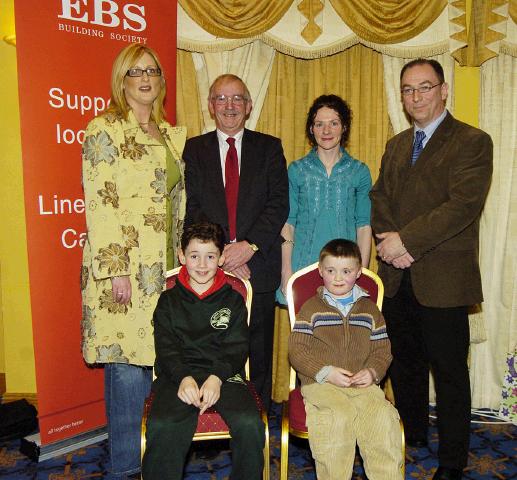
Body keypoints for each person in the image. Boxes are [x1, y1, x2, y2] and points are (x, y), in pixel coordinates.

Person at [370, 58, 493, 480]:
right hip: (398, 276)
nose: (416, 96)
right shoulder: (397, 144)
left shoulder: (473, 142)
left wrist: (407, 242)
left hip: (443, 279)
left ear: (443, 90)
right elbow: (380, 197)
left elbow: (462, 206)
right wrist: (390, 243)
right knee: (404, 364)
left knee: (449, 371)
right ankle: (414, 435)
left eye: (425, 87)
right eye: (408, 89)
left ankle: (454, 460)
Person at [81, 43, 186, 478]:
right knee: (128, 368)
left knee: (153, 362)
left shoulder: (171, 134)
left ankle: (149, 461)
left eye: (152, 70)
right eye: (135, 72)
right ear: (121, 82)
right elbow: (100, 204)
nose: (145, 78)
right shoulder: (103, 129)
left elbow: (175, 204)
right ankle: (125, 469)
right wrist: (117, 269)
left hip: (163, 269)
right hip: (123, 270)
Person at [183, 74, 289, 410]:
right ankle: (213, 412)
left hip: (257, 264)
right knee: (212, 343)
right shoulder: (193, 149)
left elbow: (278, 203)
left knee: (257, 346)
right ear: (211, 106)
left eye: (237, 99)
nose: (230, 106)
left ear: (249, 106)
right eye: (222, 99)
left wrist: (249, 246)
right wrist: (222, 254)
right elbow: (193, 206)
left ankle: (256, 417)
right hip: (208, 267)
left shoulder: (269, 147)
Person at [141, 222, 265, 480]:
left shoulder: (232, 299)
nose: (201, 264)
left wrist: (216, 378)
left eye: (210, 256)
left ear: (221, 258)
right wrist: (183, 376)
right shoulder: (168, 300)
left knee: (249, 423)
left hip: (223, 374)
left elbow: (236, 346)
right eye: (194, 256)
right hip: (177, 374)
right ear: (182, 256)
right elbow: (166, 346)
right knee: (163, 425)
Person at [288, 239, 402, 480]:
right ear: (321, 271)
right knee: (336, 421)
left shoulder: (370, 311)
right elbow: (297, 350)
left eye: (346, 271)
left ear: (358, 272)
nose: (338, 278)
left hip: (363, 385)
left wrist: (372, 372)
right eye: (331, 271)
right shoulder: (311, 309)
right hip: (322, 385)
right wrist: (325, 372)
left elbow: (383, 350)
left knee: (382, 420)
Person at [279, 94, 372, 303]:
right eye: (319, 124)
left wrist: (362, 273)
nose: (326, 131)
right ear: (311, 129)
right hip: (303, 266)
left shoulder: (359, 171)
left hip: (346, 272)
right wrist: (286, 271)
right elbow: (288, 223)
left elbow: (364, 227)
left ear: (344, 127)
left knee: (344, 335)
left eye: (334, 123)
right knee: (304, 335)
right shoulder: (296, 170)